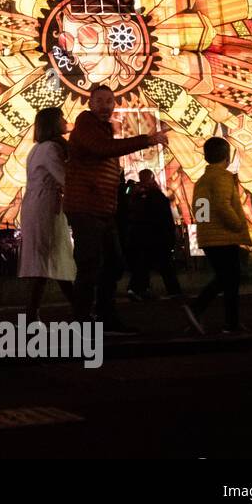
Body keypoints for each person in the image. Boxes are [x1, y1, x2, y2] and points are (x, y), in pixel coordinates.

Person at [64, 85, 168, 335]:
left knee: (113, 262)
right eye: (99, 100)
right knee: (91, 264)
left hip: (102, 209)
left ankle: (103, 315)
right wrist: (147, 139)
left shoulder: (103, 130)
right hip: (87, 207)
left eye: (109, 101)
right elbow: (102, 149)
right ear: (90, 104)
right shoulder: (86, 123)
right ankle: (84, 322)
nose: (105, 105)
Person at [183, 137, 249, 335]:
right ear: (226, 157)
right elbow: (222, 205)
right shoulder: (222, 177)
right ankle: (210, 314)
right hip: (224, 236)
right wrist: (237, 224)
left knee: (226, 279)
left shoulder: (202, 180)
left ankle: (227, 321)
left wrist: (207, 226)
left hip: (209, 237)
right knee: (230, 279)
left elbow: (199, 209)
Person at [18, 107, 76, 323]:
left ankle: (34, 313)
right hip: (46, 206)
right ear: (53, 123)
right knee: (50, 256)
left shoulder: (37, 148)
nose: (65, 120)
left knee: (46, 258)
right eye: (62, 117)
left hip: (37, 205)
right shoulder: (52, 148)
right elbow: (63, 177)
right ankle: (78, 307)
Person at [127, 169, 183, 301]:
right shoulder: (157, 196)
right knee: (163, 265)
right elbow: (166, 219)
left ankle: (137, 288)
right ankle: (173, 291)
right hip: (157, 237)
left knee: (144, 265)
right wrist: (170, 235)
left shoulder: (139, 197)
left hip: (144, 237)